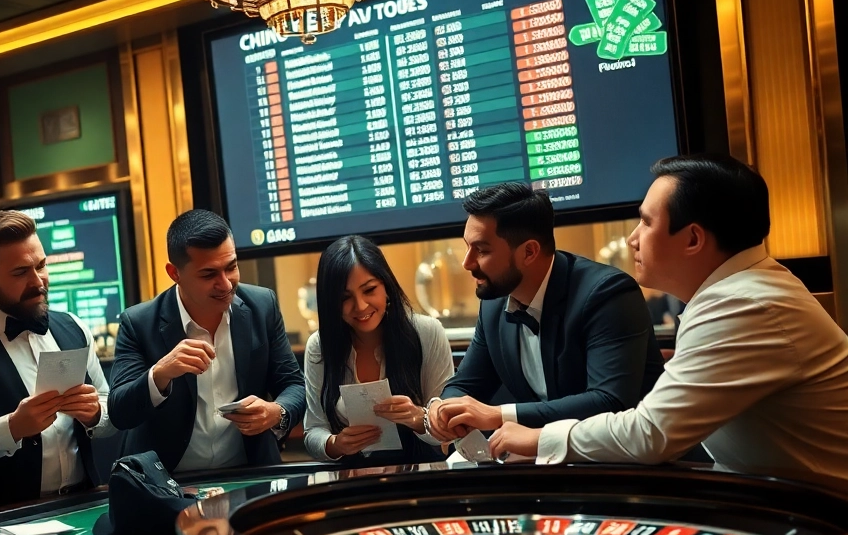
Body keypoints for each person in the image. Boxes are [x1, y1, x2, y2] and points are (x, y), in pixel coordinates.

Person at [489, 155, 848, 478]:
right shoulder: (744, 289)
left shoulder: (742, 304)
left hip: (823, 510)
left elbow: (651, 434)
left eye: (646, 223)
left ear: (692, 239)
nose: (632, 239)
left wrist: (540, 439)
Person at [426, 182, 664, 443]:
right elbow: (465, 385)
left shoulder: (607, 294)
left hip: (630, 459)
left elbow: (609, 401)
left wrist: (499, 415)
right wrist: (442, 408)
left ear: (529, 252)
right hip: (545, 461)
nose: (467, 262)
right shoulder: (494, 304)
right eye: (467, 247)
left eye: (481, 250)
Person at [0, 211, 117, 511]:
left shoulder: (74, 327)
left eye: (41, 265)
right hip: (4, 519)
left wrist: (95, 413)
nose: (38, 281)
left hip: (85, 503)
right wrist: (12, 428)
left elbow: (110, 412)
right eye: (20, 272)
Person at [109, 210, 306, 472]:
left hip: (249, 472)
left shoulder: (262, 306)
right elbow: (119, 412)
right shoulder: (139, 323)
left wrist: (276, 412)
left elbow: (294, 385)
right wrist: (160, 374)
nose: (225, 284)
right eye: (208, 274)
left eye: (231, 267)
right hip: (168, 482)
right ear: (174, 273)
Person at [304, 236, 454, 465]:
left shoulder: (427, 332)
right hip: (351, 476)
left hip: (420, 472)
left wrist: (418, 418)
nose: (360, 305)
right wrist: (335, 444)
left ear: (387, 287)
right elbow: (313, 430)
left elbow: (448, 429)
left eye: (369, 290)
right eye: (345, 298)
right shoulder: (319, 345)